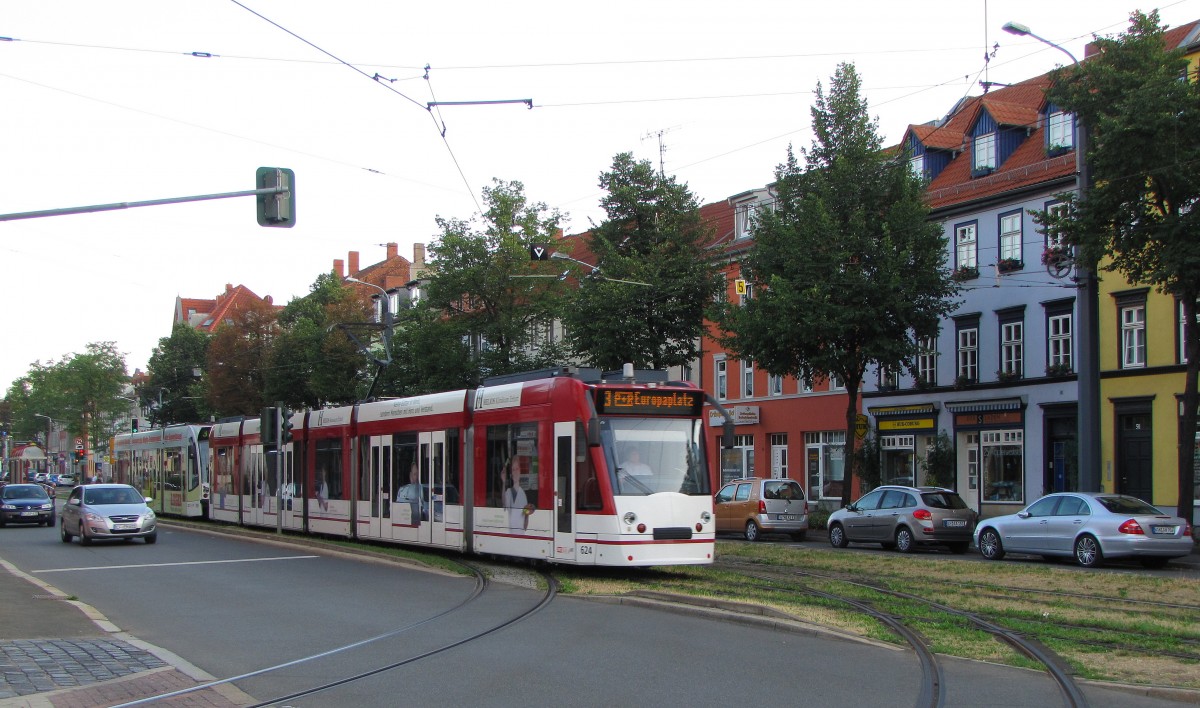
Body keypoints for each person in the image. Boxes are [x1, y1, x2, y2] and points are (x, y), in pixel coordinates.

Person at [502, 466, 529, 532]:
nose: (516, 472)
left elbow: (526, 512)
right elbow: (504, 504)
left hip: (520, 531)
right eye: (513, 470)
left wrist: (525, 524)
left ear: (520, 472)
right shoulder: (509, 491)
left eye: (517, 469)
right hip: (511, 530)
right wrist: (503, 482)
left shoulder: (522, 493)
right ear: (511, 475)